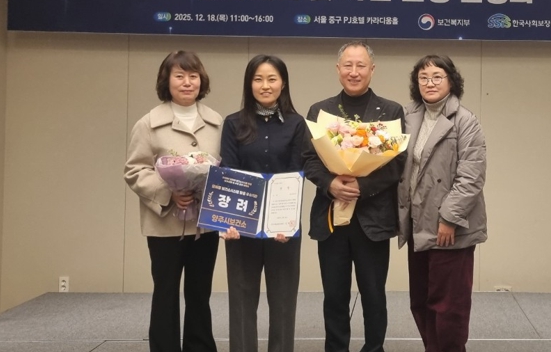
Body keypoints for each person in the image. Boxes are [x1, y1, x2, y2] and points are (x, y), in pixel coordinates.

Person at [303, 41, 406, 352]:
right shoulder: (320, 111)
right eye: (348, 65)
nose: (354, 71)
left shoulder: (390, 111)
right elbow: (308, 159)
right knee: (334, 294)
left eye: (361, 65)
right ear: (338, 69)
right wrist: (330, 183)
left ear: (372, 70)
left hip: (373, 220)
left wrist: (364, 186)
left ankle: (374, 347)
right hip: (331, 218)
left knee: (373, 293)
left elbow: (397, 163)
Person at [124, 50, 222, 352]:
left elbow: (224, 168)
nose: (187, 82)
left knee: (200, 293)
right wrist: (169, 192)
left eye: (193, 76)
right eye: (179, 76)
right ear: (166, 81)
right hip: (164, 225)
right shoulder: (148, 124)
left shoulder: (216, 122)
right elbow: (134, 170)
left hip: (204, 225)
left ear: (201, 80)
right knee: (165, 292)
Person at [397, 55, 487, 352]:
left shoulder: (465, 120)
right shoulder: (407, 117)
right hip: (417, 224)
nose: (430, 83)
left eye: (437, 76)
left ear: (451, 81)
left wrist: (448, 218)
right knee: (421, 301)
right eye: (423, 77)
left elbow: (471, 176)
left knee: (449, 306)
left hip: (450, 229)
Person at [219, 55, 306, 352]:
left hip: (283, 228)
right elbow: (229, 173)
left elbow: (295, 174)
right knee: (242, 301)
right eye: (258, 79)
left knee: (283, 302)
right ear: (249, 84)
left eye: (272, 79)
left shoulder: (296, 124)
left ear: (283, 83)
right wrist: (229, 221)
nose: (265, 85)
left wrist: (285, 223)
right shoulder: (233, 123)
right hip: (241, 228)